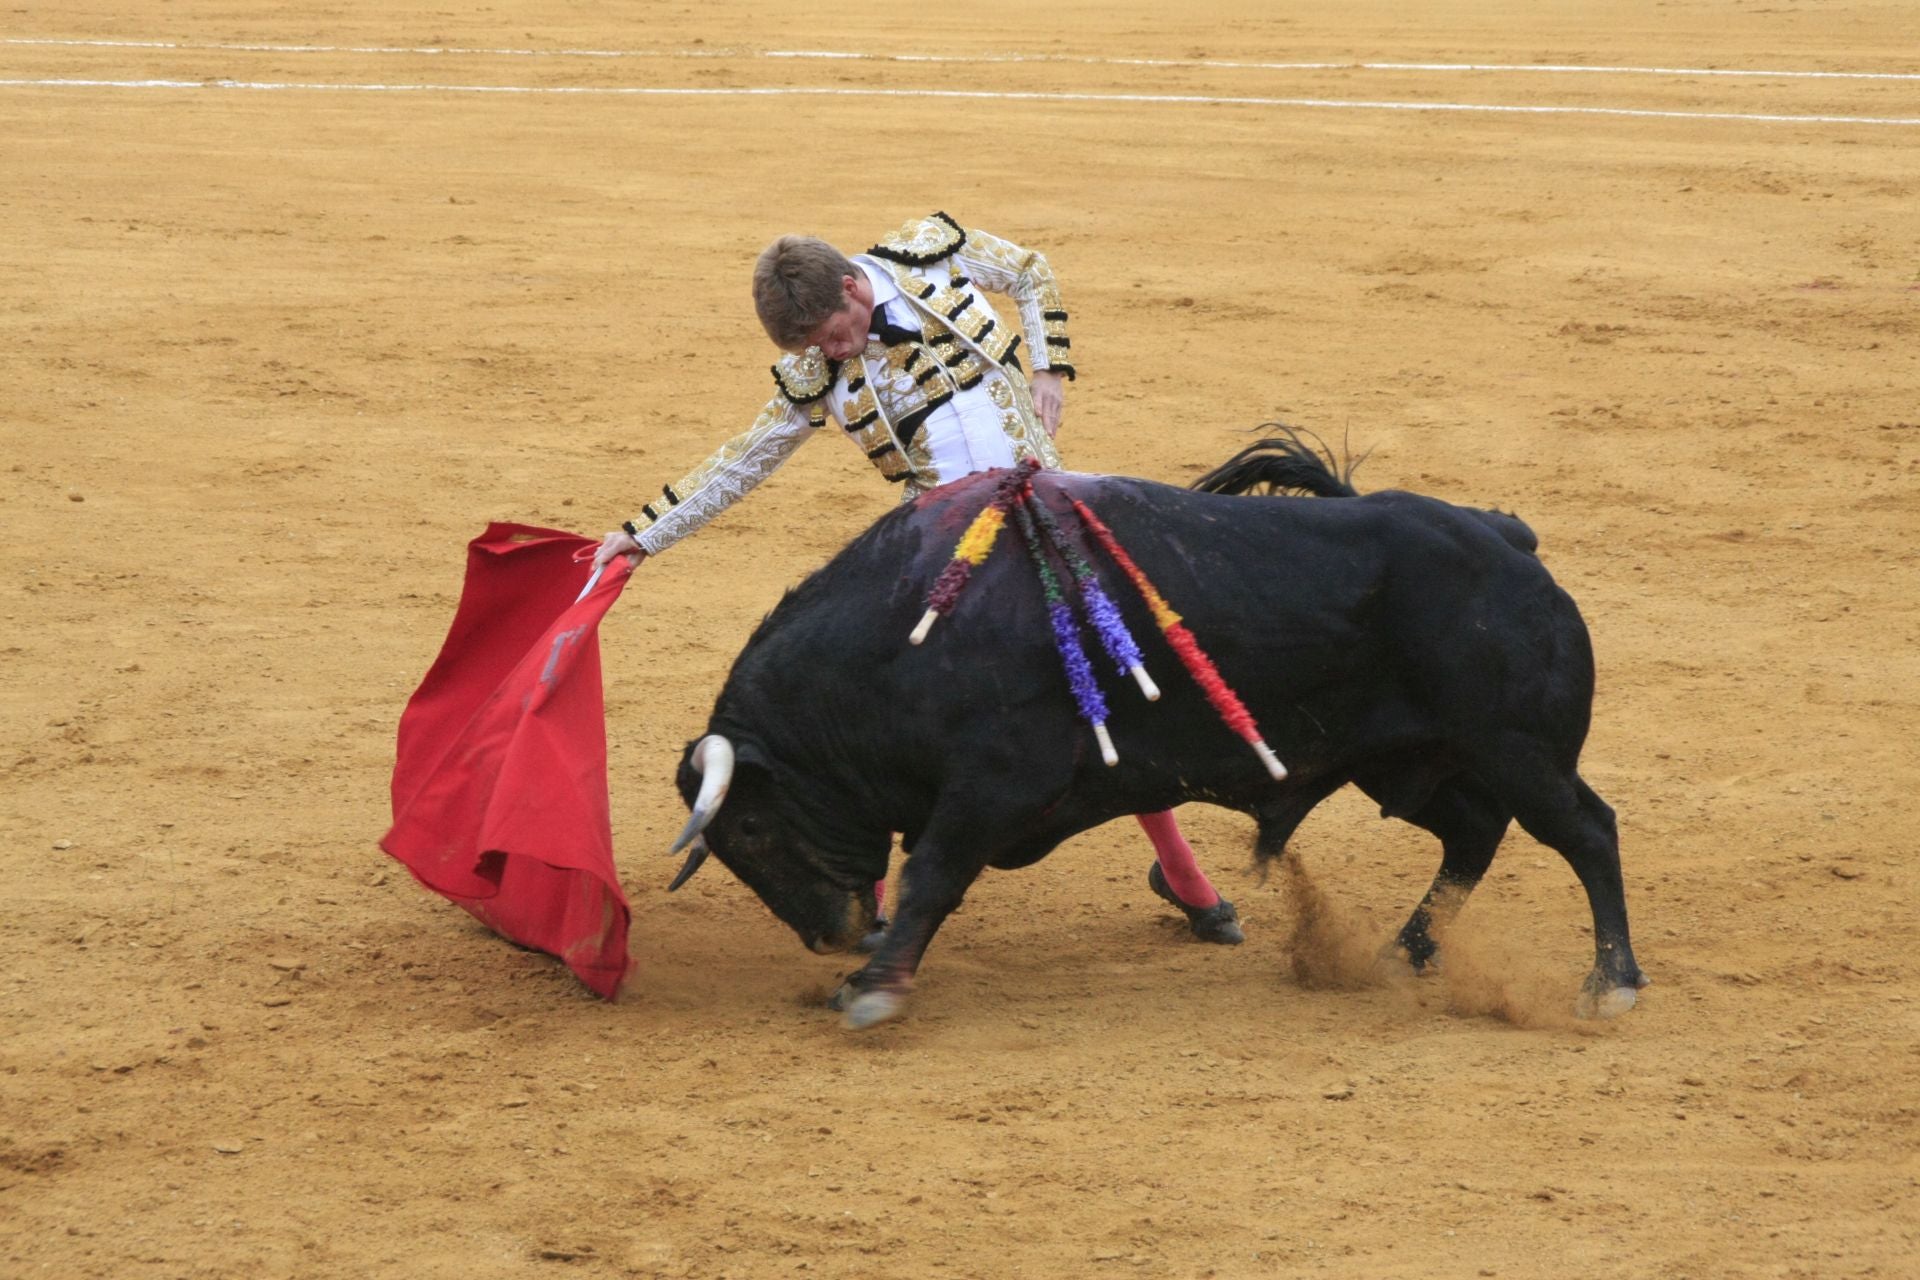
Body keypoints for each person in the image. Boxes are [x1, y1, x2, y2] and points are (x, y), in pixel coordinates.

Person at [593, 212, 1240, 943]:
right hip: (947, 561)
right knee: (889, 721)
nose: (833, 352)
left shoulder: (929, 254)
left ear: (850, 286)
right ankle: (867, 898)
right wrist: (643, 534)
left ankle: (1181, 870)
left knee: (1108, 681)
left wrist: (1048, 368)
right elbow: (745, 459)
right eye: (815, 347)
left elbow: (1030, 270)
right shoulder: (816, 374)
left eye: (832, 334)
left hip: (1047, 521)